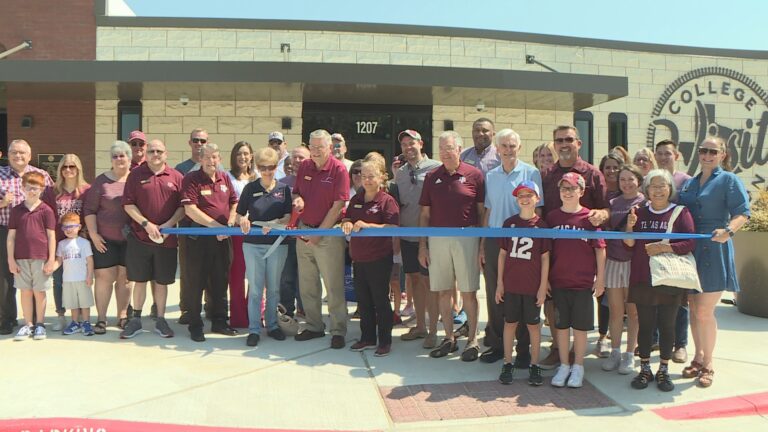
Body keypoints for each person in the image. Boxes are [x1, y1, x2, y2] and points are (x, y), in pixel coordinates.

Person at [678, 136, 750, 388]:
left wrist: (728, 231)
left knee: (705, 311)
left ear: (722, 154)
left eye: (712, 151)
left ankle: (708, 363)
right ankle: (697, 357)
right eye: (703, 150)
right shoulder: (690, 183)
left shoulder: (729, 180)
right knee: (693, 309)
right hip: (690, 250)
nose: (707, 155)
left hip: (715, 248)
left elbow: (743, 212)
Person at [540, 126, 608, 369]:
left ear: (578, 143)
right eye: (559, 140)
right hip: (554, 250)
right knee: (553, 304)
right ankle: (558, 349)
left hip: (583, 255)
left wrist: (601, 213)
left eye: (569, 139)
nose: (564, 144)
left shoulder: (592, 174)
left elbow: (605, 208)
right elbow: (542, 211)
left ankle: (576, 355)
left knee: (579, 309)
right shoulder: (547, 174)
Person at [624, 169, 696, 391]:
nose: (657, 190)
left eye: (662, 185)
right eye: (653, 185)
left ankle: (663, 369)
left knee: (667, 325)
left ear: (670, 188)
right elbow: (628, 243)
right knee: (645, 326)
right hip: (643, 277)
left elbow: (690, 243)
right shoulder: (637, 212)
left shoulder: (681, 212)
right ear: (646, 190)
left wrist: (665, 247)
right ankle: (644, 368)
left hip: (669, 278)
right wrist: (629, 224)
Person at [478, 129, 542, 367]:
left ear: (519, 147)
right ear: (497, 148)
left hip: (523, 241)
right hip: (496, 240)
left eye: (512, 146)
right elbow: (488, 211)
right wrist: (483, 245)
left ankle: (523, 349)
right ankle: (496, 345)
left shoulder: (531, 172)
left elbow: (539, 210)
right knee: (496, 293)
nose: (508, 150)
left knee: (523, 293)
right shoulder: (491, 176)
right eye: (503, 146)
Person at [419, 131, 485, 361]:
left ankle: (473, 340)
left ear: (459, 149)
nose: (446, 152)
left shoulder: (474, 174)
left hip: (467, 237)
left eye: (450, 148)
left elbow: (481, 212)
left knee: (468, 291)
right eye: (442, 148)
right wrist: (422, 246)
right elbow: (425, 214)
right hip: (437, 238)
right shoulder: (431, 177)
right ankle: (448, 338)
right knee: (443, 291)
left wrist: (483, 244)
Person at [546, 172, 606, 388]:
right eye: (563, 188)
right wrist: (545, 280)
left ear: (581, 191)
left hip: (582, 283)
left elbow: (600, 250)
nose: (567, 192)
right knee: (561, 327)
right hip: (559, 281)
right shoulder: (552, 218)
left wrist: (600, 279)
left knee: (580, 328)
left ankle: (578, 366)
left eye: (572, 188)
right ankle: (564, 364)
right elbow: (546, 253)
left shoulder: (589, 217)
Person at [121, 139, 185, 339]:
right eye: (151, 151)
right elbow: (128, 204)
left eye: (159, 151)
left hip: (166, 240)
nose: (155, 154)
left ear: (166, 154)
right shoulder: (135, 175)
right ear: (146, 154)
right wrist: (145, 224)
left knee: (161, 281)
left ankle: (160, 319)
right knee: (139, 280)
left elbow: (183, 207)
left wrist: (169, 224)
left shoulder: (176, 177)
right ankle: (136, 320)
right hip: (140, 238)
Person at [292, 129, 350, 349]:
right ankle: (314, 326)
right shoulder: (305, 166)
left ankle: (338, 330)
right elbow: (297, 192)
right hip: (303, 231)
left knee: (333, 285)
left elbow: (338, 206)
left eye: (320, 147)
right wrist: (297, 200)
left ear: (330, 148)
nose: (315, 151)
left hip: (328, 235)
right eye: (312, 147)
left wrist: (319, 234)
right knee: (307, 284)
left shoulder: (339, 170)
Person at [181, 143, 239, 342]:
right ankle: (195, 325)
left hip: (223, 239)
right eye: (207, 157)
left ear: (219, 158)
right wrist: (216, 226)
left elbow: (234, 202)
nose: (211, 161)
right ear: (200, 159)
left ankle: (220, 321)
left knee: (220, 281)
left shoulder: (224, 178)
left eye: (214, 157)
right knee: (196, 282)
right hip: (199, 240)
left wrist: (230, 221)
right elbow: (190, 210)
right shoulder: (192, 179)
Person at [495, 180, 551, 386]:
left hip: (531, 286)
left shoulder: (542, 226)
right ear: (517, 199)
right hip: (511, 284)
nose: (525, 198)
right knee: (510, 324)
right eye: (521, 195)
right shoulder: (509, 223)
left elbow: (545, 258)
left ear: (537, 198)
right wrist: (500, 283)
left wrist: (542, 287)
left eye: (530, 194)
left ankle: (534, 364)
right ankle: (507, 362)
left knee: (533, 326)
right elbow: (502, 255)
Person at [342, 159, 400, 356]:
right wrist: (348, 223)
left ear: (381, 177)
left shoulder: (387, 200)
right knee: (363, 301)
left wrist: (369, 226)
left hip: (379, 258)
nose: (366, 180)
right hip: (359, 258)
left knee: (380, 301)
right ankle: (367, 338)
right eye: (363, 176)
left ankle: (384, 341)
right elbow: (347, 218)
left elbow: (393, 227)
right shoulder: (356, 199)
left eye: (371, 176)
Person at [237, 147, 293, 347]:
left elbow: (288, 216)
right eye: (262, 167)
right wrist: (243, 220)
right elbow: (239, 213)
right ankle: (254, 329)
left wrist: (276, 222)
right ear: (257, 168)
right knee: (255, 289)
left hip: (277, 244)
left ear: (276, 166)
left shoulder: (284, 189)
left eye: (270, 167)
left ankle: (272, 325)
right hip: (253, 244)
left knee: (274, 289)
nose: (267, 171)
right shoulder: (250, 189)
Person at [0, 139, 54, 336]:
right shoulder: (0, 174)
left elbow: (50, 206)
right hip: (6, 231)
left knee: (34, 279)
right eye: (14, 152)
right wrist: (3, 203)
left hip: (36, 234)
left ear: (30, 156)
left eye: (22, 152)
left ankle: (33, 321)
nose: (18, 156)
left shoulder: (42, 176)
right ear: (8, 154)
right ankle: (7, 319)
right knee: (5, 277)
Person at [394, 129, 441, 349]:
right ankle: (420, 326)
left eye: (411, 143)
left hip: (429, 237)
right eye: (404, 144)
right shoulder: (400, 172)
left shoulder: (436, 168)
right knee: (413, 280)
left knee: (429, 283)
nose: (408, 147)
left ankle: (433, 330)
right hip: (407, 234)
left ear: (421, 143)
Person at [84, 141, 132, 334]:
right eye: (115, 156)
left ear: (129, 158)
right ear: (111, 160)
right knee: (104, 277)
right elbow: (89, 209)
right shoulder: (101, 180)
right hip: (104, 239)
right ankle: (102, 318)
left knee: (126, 278)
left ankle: (122, 316)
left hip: (131, 240)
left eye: (122, 155)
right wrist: (94, 234)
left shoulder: (136, 179)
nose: (119, 159)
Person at [602, 165, 645, 375]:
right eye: (622, 180)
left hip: (633, 263)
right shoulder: (613, 203)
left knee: (634, 312)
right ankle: (615, 351)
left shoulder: (644, 202)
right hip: (612, 260)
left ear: (639, 180)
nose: (626, 183)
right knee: (615, 310)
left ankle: (630, 354)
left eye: (630, 179)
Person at [8, 172, 57, 341]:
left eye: (36, 188)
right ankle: (28, 324)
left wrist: (51, 259)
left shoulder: (46, 210)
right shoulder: (16, 210)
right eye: (29, 188)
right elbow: (11, 237)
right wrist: (10, 259)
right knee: (25, 291)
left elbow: (51, 236)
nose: (32, 191)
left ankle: (40, 324)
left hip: (41, 257)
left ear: (42, 190)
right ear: (22, 188)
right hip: (21, 258)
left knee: (39, 291)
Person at [51, 154, 91, 332]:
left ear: (78, 169)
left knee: (81, 281)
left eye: (72, 166)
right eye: (64, 167)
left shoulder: (87, 190)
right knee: (59, 281)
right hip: (59, 244)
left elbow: (91, 215)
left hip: (80, 244)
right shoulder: (52, 191)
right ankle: (61, 315)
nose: (68, 170)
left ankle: (82, 317)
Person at [227, 141, 256, 329]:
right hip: (237, 232)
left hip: (255, 232)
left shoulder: (258, 177)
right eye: (239, 154)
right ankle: (238, 318)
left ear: (251, 156)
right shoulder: (227, 177)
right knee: (237, 276)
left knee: (256, 277)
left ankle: (255, 315)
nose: (243, 157)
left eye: (246, 153)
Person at [279, 145, 310, 317]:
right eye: (295, 157)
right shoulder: (282, 183)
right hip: (287, 238)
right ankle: (286, 312)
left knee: (307, 279)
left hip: (308, 237)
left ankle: (307, 311)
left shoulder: (314, 182)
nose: (298, 160)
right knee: (286, 278)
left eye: (302, 157)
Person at [56, 212, 95, 336]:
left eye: (71, 226)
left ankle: (86, 322)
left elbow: (89, 260)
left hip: (82, 278)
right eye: (65, 227)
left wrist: (89, 276)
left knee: (84, 302)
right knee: (72, 303)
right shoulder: (61, 244)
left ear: (79, 227)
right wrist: (50, 268)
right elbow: (59, 260)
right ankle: (74, 323)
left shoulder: (84, 243)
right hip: (68, 279)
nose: (68, 230)